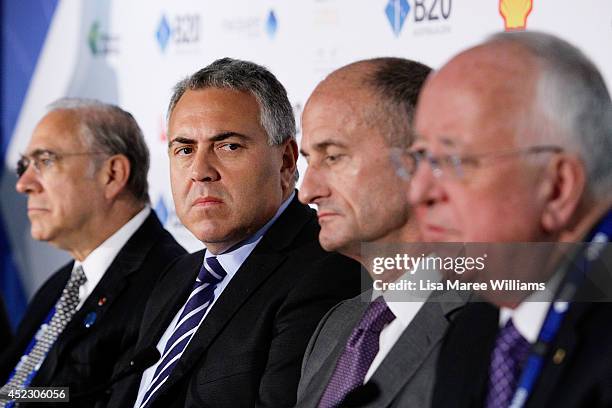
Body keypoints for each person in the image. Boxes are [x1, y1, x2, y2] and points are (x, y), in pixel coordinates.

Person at [106, 58, 361, 408]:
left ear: (286, 161)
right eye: (184, 149)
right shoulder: (178, 275)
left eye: (228, 146)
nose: (200, 171)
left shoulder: (325, 269)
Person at [408, 32, 612, 407]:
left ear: (557, 188)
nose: (418, 193)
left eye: (452, 161)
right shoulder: (473, 330)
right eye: (422, 157)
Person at [296, 58, 465, 407]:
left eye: (333, 157)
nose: (307, 191)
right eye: (307, 160)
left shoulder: (494, 320)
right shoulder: (333, 327)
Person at [0, 99, 186, 406]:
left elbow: (92, 398)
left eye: (44, 161)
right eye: (24, 166)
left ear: (112, 174)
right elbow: (18, 385)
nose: (24, 184)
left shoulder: (167, 284)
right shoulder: (60, 284)